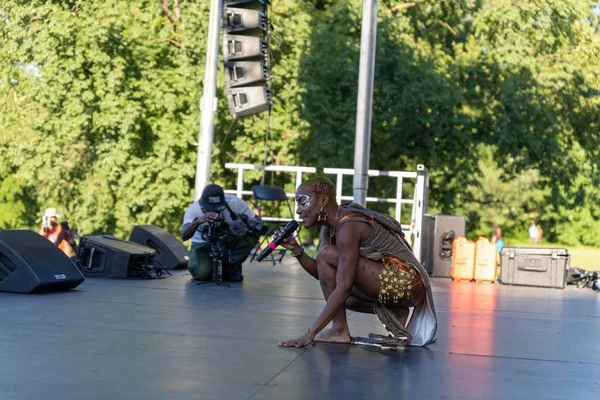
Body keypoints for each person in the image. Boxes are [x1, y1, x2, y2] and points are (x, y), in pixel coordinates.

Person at [277, 177, 437, 348]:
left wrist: (310, 334)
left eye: (303, 202)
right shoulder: (329, 228)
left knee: (334, 273)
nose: (299, 211)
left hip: (407, 283)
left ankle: (338, 330)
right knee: (341, 297)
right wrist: (296, 250)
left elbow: (343, 287)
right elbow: (323, 274)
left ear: (323, 201)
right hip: (396, 285)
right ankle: (393, 311)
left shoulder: (349, 225)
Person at [181, 184, 261, 282]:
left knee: (253, 236)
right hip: (203, 244)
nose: (214, 211)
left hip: (227, 241)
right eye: (210, 207)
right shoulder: (194, 209)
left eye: (218, 207)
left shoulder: (234, 202)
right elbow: (184, 236)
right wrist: (197, 222)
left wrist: (242, 224)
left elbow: (255, 220)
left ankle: (230, 264)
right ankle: (211, 265)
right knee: (200, 274)